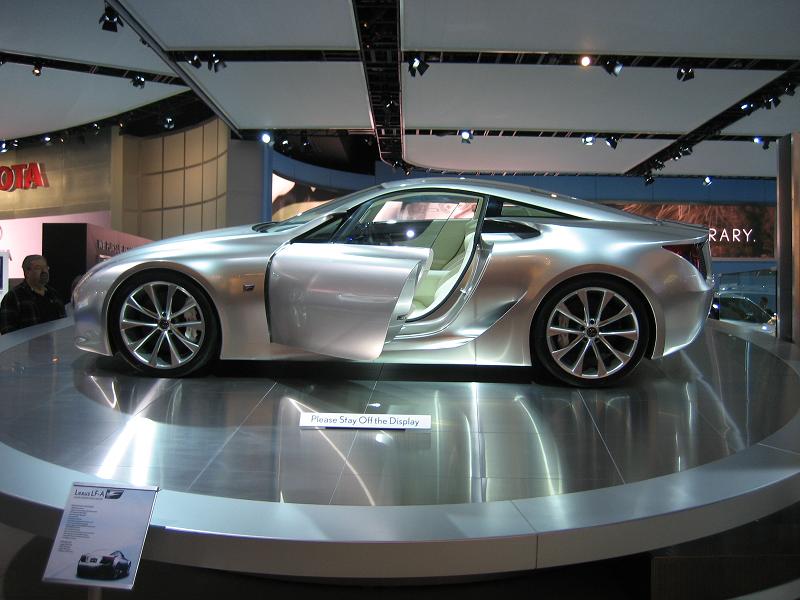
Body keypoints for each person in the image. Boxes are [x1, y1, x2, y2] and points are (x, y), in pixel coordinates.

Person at [0, 254, 66, 334]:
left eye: (45, 267)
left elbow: (64, 324)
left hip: (57, 341)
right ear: (27, 272)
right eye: (38, 268)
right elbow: (7, 331)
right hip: (28, 342)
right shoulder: (13, 297)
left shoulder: (54, 294)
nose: (44, 271)